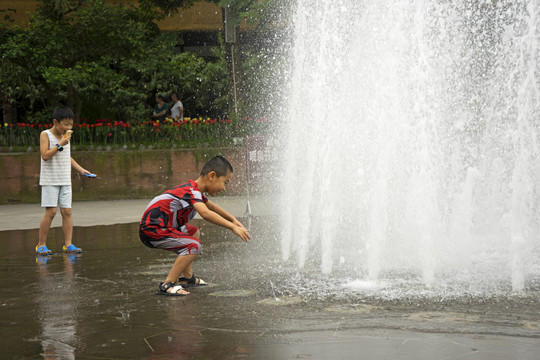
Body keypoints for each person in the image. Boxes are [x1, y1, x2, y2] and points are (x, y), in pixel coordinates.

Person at [139, 156, 250, 296]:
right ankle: (168, 284)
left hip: (164, 228)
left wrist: (233, 219)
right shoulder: (191, 191)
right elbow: (205, 213)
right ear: (212, 176)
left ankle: (187, 278)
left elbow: (212, 207)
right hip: (153, 230)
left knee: (193, 232)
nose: (224, 188)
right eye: (225, 182)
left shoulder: (195, 191)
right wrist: (232, 227)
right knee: (194, 246)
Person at [36, 105, 92, 255]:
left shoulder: (66, 138)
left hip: (65, 179)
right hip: (50, 180)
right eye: (65, 124)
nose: (68, 128)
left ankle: (68, 244)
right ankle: (41, 244)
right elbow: (45, 156)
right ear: (55, 122)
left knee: (67, 211)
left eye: (70, 125)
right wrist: (60, 144)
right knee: (51, 212)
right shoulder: (45, 135)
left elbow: (67, 157)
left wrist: (81, 170)